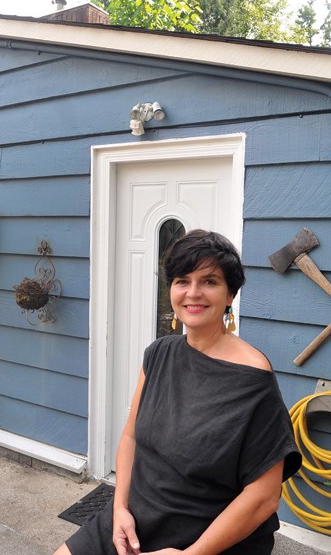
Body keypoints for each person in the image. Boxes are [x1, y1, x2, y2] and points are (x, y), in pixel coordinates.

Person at [55, 229, 301, 555]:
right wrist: (119, 510)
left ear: (230, 295)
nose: (193, 293)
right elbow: (131, 438)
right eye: (182, 280)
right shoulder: (158, 354)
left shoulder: (253, 379)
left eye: (209, 281)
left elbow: (263, 497)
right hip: (138, 517)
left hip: (207, 538)